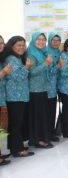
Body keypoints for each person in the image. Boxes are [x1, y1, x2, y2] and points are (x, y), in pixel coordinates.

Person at [3, 36, 34, 157]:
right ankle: (17, 149)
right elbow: (16, 77)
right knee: (16, 123)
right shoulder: (11, 59)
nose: (22, 47)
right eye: (19, 45)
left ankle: (16, 146)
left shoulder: (18, 58)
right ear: (12, 46)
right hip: (15, 96)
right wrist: (26, 68)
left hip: (20, 96)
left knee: (17, 123)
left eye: (23, 45)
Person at [27, 32, 53, 149]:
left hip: (43, 88)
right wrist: (46, 64)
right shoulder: (31, 54)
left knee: (42, 115)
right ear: (33, 40)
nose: (41, 42)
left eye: (43, 39)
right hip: (35, 90)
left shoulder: (42, 53)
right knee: (38, 116)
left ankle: (38, 139)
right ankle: (38, 140)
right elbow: (31, 72)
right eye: (38, 39)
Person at [46, 33, 62, 142]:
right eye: (53, 40)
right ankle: (47, 134)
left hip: (55, 85)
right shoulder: (47, 52)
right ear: (50, 41)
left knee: (53, 110)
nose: (56, 42)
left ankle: (52, 132)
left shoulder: (58, 52)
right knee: (47, 111)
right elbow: (49, 71)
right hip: (47, 86)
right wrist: (58, 66)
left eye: (58, 40)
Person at [0, 35, 11, 165]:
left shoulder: (2, 60)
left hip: (3, 99)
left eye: (2, 43)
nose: (0, 45)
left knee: (2, 128)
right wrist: (3, 73)